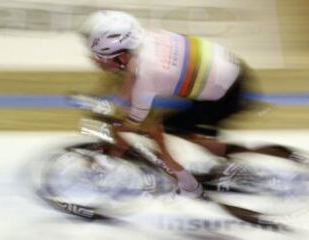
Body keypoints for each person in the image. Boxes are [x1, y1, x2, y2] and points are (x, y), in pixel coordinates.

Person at [80, 10, 255, 198]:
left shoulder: (146, 76)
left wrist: (115, 139)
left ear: (121, 56)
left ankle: (222, 163)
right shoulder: (144, 40)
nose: (96, 61)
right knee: (165, 119)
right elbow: (128, 84)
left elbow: (133, 121)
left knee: (174, 126)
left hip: (228, 92)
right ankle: (219, 153)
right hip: (228, 70)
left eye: (100, 56)